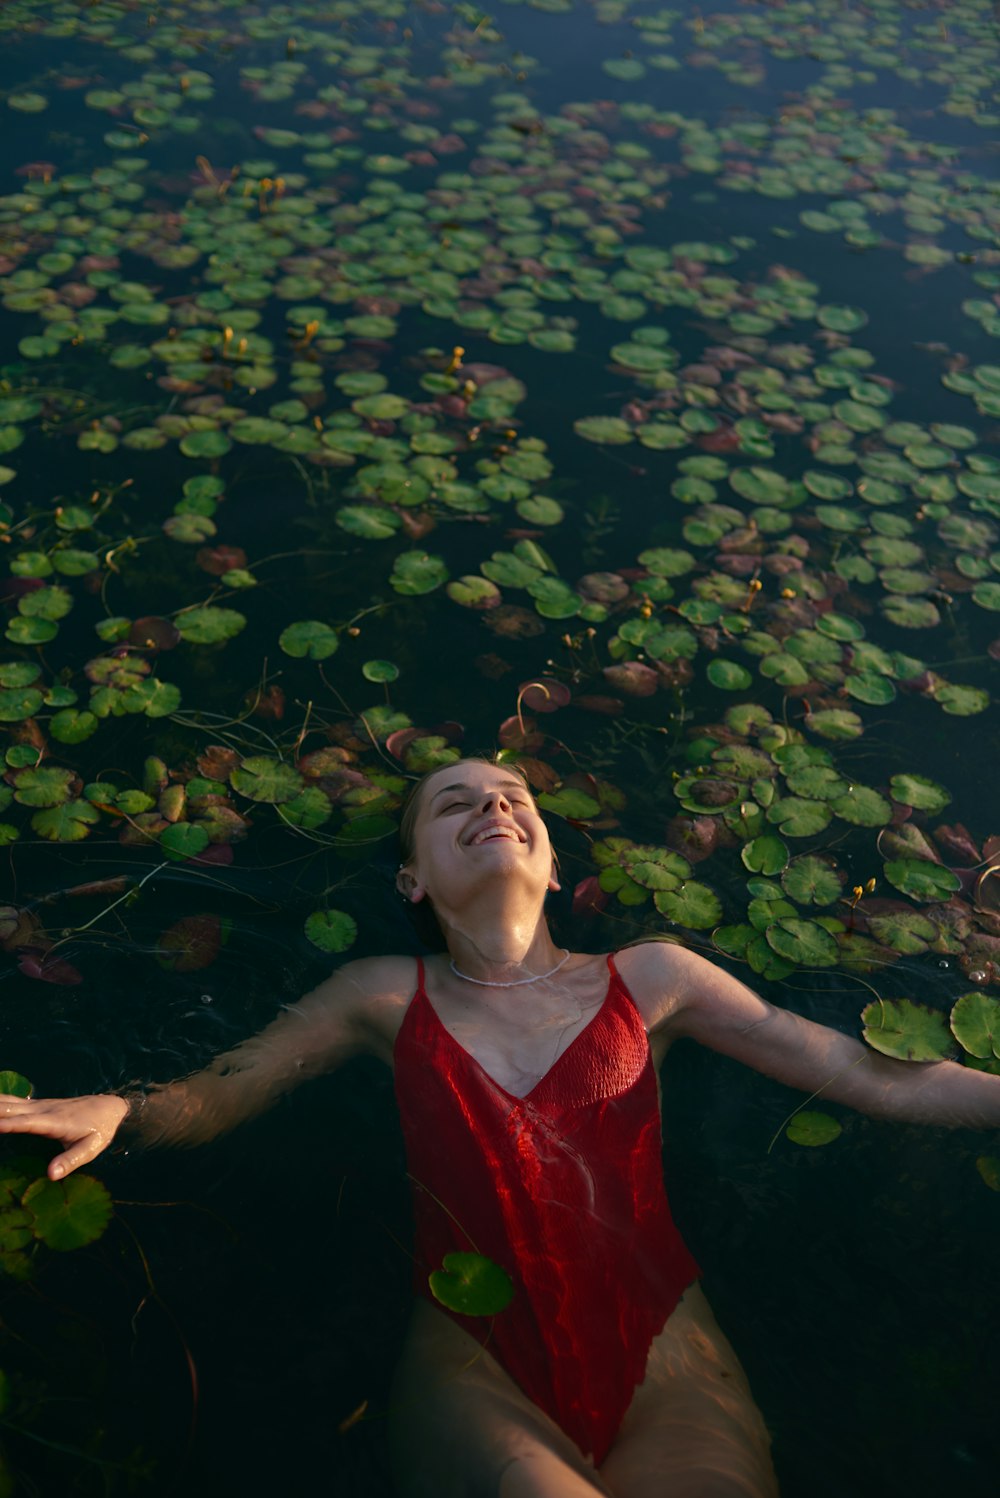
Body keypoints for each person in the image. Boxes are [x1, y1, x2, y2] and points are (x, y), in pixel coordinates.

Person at [1, 757, 998, 1498]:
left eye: (515, 799)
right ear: (412, 883)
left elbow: (869, 1073)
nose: (493, 805)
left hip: (669, 1356)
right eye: (455, 802)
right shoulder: (378, 994)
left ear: (553, 864)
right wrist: (126, 1109)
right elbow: (227, 1085)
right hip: (476, 1363)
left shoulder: (654, 979)